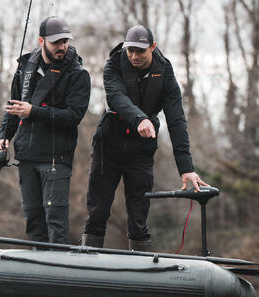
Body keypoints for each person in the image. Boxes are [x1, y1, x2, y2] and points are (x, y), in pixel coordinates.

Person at [81, 24, 207, 251]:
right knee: (98, 212)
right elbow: (116, 97)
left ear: (153, 47)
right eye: (130, 50)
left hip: (140, 152)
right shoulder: (114, 63)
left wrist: (186, 168)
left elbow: (177, 120)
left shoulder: (165, 72)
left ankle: (141, 262)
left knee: (139, 218)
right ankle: (88, 256)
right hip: (108, 146)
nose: (134, 56)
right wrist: (140, 119)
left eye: (140, 51)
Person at [0, 16, 91, 244]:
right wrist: (2, 138)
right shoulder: (24, 69)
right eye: (56, 42)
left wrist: (34, 112)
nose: (62, 47)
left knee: (55, 222)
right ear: (42, 41)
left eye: (65, 41)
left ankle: (60, 274)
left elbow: (73, 116)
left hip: (56, 158)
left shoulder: (78, 74)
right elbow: (14, 109)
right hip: (26, 156)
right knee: (33, 221)